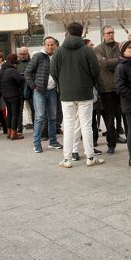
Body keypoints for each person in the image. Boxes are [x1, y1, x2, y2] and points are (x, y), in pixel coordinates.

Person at [50, 22, 104, 168]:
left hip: (66, 94)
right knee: (86, 125)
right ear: (81, 33)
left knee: (68, 125)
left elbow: (53, 72)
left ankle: (67, 159)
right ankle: (90, 157)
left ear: (68, 32)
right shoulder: (87, 50)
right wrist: (89, 84)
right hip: (85, 92)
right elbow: (95, 71)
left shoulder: (59, 51)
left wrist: (62, 85)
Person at [24, 37, 62, 153]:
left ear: (55, 45)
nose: (50, 47)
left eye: (52, 45)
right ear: (44, 45)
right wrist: (34, 86)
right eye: (48, 45)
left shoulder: (57, 56)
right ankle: (37, 143)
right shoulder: (38, 56)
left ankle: (53, 142)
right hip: (39, 91)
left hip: (52, 91)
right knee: (40, 117)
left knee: (53, 117)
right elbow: (27, 73)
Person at [94, 26, 125, 154]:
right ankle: (111, 144)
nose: (110, 35)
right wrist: (119, 60)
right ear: (103, 35)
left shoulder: (120, 46)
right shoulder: (98, 49)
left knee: (127, 118)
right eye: (108, 33)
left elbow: (127, 60)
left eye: (112, 32)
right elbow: (103, 64)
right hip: (106, 89)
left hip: (121, 88)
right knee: (109, 119)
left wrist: (115, 61)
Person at [0, 54, 25, 139]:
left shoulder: (2, 70)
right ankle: (14, 133)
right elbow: (20, 80)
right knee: (15, 114)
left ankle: (9, 132)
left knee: (9, 113)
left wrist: (1, 91)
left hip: (5, 95)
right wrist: (24, 78)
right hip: (14, 94)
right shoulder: (12, 70)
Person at [17, 46, 33, 132]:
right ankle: (19, 128)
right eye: (21, 54)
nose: (22, 55)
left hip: (30, 89)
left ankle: (35, 126)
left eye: (24, 54)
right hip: (19, 89)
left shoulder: (31, 63)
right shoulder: (16, 63)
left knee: (33, 109)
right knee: (19, 110)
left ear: (28, 54)